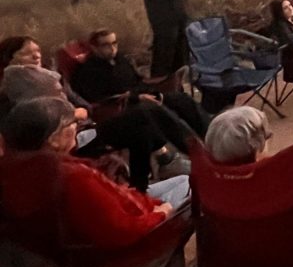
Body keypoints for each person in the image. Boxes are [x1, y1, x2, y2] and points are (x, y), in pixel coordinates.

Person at [0, 96, 191, 249]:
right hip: (118, 248)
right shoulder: (73, 177)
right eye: (71, 123)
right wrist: (162, 212)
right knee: (194, 185)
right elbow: (122, 231)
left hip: (67, 240)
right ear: (53, 139)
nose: (76, 126)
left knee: (183, 178)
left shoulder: (16, 167)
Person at [1, 64, 190, 191]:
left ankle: (143, 184)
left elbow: (85, 107)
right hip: (76, 139)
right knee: (141, 115)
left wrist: (75, 112)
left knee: (141, 126)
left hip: (83, 129)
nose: (36, 57)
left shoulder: (43, 85)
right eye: (29, 54)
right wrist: (74, 115)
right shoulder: (27, 110)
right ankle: (188, 152)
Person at [70, 28, 210, 136]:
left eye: (114, 43)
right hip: (125, 108)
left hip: (145, 96)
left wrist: (157, 88)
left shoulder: (120, 59)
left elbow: (137, 80)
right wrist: (136, 97)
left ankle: (209, 134)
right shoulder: (88, 71)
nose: (112, 48)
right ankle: (190, 146)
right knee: (166, 112)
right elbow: (99, 100)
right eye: (105, 45)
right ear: (94, 48)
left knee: (182, 100)